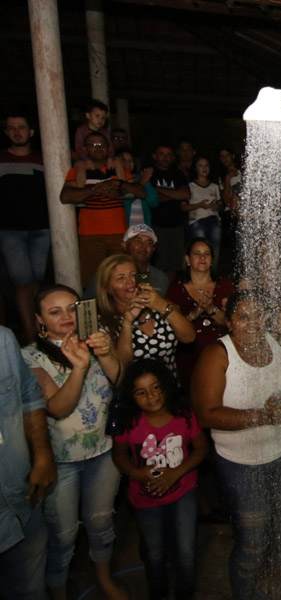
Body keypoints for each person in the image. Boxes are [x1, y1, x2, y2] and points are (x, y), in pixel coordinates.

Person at [191, 290, 281, 598]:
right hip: (241, 461)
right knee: (252, 538)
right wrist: (264, 416)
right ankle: (244, 592)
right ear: (229, 322)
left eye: (258, 315)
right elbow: (206, 414)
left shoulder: (280, 343)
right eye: (243, 317)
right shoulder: (218, 354)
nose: (253, 323)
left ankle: (279, 565)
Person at [21, 285, 125, 600]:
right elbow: (57, 408)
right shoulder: (29, 356)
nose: (67, 317)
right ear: (40, 320)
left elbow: (121, 381)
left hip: (103, 451)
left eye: (71, 308)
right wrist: (79, 368)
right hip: (60, 461)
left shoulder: (95, 338)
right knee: (63, 536)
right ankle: (59, 593)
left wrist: (106, 353)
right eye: (55, 312)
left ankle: (104, 580)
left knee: (101, 522)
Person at [112, 359, 209, 600]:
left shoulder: (184, 416)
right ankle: (157, 592)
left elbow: (201, 448)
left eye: (156, 387)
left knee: (185, 551)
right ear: (132, 396)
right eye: (141, 392)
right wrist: (136, 473)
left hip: (183, 493)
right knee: (154, 552)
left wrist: (177, 472)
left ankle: (184, 593)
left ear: (166, 385)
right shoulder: (130, 422)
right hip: (145, 499)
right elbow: (119, 455)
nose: (151, 396)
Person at [0, 325, 56, 600]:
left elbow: (30, 395)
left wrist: (43, 455)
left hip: (21, 496)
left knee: (31, 590)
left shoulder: (3, 340)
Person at [60, 132, 146, 286]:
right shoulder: (79, 171)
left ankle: (123, 308)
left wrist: (118, 184)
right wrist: (96, 189)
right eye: (92, 145)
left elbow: (141, 192)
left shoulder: (118, 170)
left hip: (119, 233)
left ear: (108, 148)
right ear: (85, 149)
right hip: (90, 234)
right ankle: (93, 309)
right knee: (91, 277)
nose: (97, 148)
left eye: (101, 145)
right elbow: (65, 197)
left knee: (123, 274)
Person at [95, 253, 195, 376]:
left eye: (133, 275)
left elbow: (189, 337)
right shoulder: (103, 322)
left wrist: (162, 306)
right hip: (135, 392)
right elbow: (122, 367)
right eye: (120, 278)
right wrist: (127, 322)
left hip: (171, 389)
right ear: (108, 288)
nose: (130, 282)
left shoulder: (161, 305)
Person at [1, 111, 49, 343]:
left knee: (36, 281)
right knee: (22, 281)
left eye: (21, 127)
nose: (17, 131)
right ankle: (30, 334)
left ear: (31, 131)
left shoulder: (44, 159)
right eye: (12, 127)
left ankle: (38, 328)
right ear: (6, 132)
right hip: (10, 230)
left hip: (42, 228)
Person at [166, 238, 234, 389]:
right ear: (187, 259)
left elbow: (232, 322)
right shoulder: (175, 288)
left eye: (207, 254)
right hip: (188, 354)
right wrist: (194, 314)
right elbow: (170, 327)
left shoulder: (225, 285)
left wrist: (210, 308)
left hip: (221, 352)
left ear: (211, 260)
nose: (202, 258)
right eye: (197, 253)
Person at [84, 224, 169, 298]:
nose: (143, 246)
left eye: (149, 243)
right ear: (124, 245)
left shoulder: (160, 278)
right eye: (137, 241)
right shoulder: (106, 273)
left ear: (153, 249)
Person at [148, 144, 191, 281]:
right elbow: (149, 197)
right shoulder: (149, 173)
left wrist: (157, 190)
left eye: (168, 154)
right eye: (161, 153)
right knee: (157, 263)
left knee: (174, 263)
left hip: (176, 225)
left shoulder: (177, 174)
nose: (165, 157)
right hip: (155, 225)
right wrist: (174, 195)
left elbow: (185, 194)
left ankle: (170, 293)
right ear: (155, 156)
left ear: (173, 157)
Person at [185, 156, 224, 265]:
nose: (204, 168)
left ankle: (212, 276)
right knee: (198, 251)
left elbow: (221, 204)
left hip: (214, 221)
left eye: (206, 165)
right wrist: (199, 205)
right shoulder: (190, 186)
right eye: (200, 165)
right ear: (196, 168)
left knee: (214, 251)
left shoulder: (214, 186)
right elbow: (183, 207)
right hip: (197, 222)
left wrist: (217, 206)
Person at [115, 148, 158, 228]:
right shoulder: (114, 180)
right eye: (124, 160)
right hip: (123, 228)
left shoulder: (140, 178)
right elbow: (124, 202)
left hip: (143, 228)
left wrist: (143, 183)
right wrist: (140, 184)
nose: (127, 163)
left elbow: (154, 202)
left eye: (130, 160)